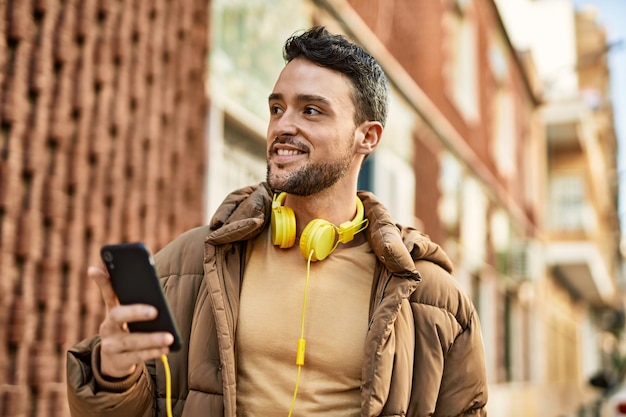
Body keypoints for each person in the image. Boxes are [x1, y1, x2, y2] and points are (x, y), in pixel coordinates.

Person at [66, 26, 488, 416]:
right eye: (277, 107)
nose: (283, 125)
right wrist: (112, 374)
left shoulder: (433, 299)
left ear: (368, 136)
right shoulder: (191, 262)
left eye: (311, 111)